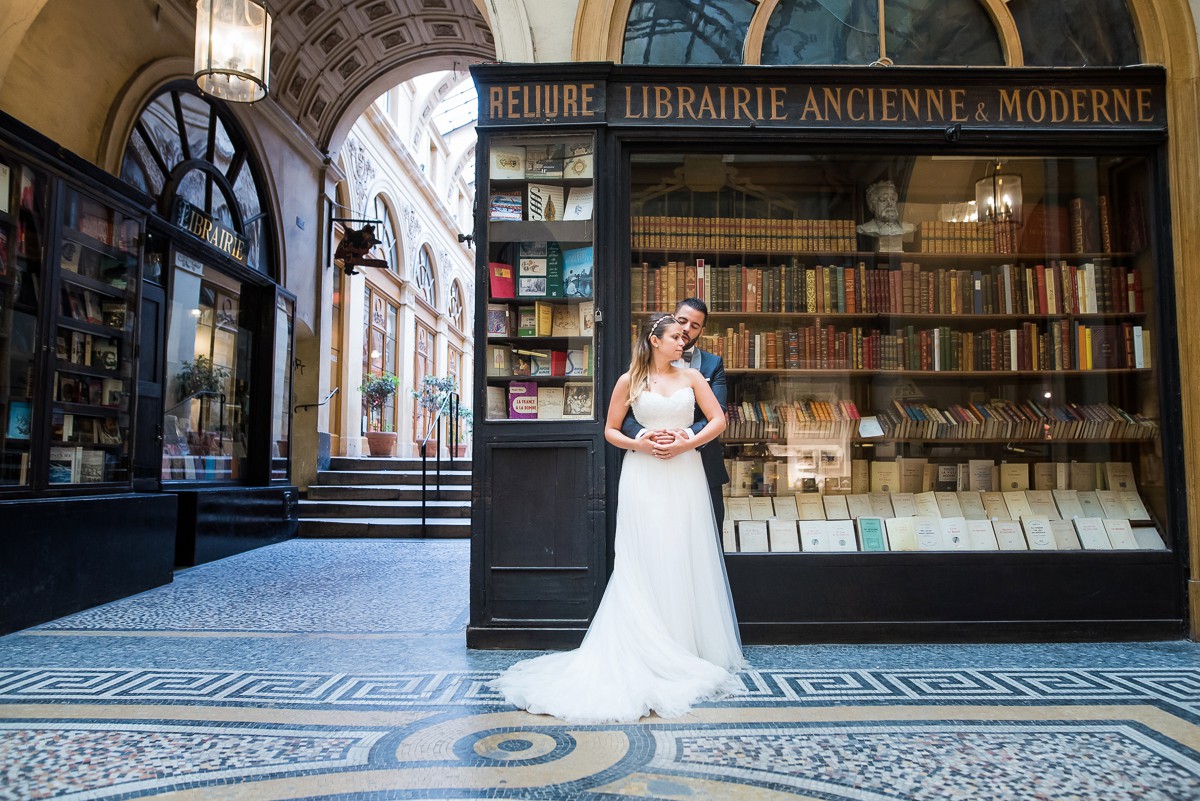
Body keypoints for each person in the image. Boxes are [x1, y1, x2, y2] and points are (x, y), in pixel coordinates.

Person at [490, 314, 745, 724]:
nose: (683, 342)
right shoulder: (629, 380)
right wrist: (640, 443)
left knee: (683, 550)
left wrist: (688, 444)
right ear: (654, 339)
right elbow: (610, 430)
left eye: (685, 337)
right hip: (643, 474)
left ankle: (685, 643)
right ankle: (644, 641)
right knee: (643, 555)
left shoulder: (693, 378)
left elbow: (718, 419)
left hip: (685, 472)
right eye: (676, 337)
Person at [622, 298, 729, 528]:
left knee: (703, 539)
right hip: (648, 463)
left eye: (695, 326)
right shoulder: (637, 367)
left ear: (702, 330)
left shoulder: (712, 364)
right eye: (682, 322)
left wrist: (684, 437)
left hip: (700, 463)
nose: (687, 330)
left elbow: (718, 412)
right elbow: (626, 414)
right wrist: (647, 436)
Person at [857, 179, 914, 252]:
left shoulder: (908, 227)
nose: (890, 203)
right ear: (872, 205)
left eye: (893, 199)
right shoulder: (863, 229)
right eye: (883, 200)